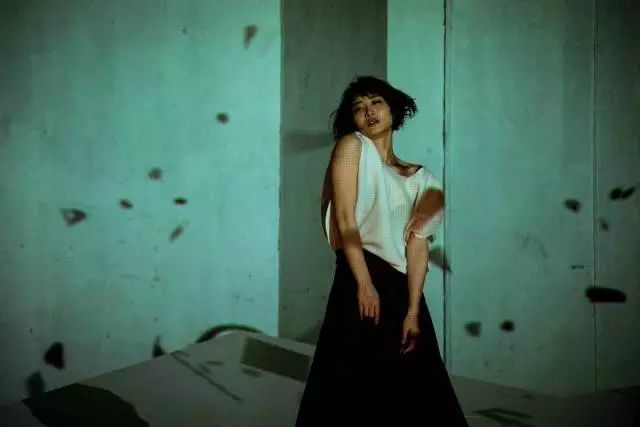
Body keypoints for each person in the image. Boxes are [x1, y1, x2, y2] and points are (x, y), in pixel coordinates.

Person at [295, 76, 469, 426]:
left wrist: (413, 311)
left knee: (420, 394)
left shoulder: (425, 180)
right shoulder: (352, 146)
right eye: (359, 108)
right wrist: (363, 283)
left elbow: (417, 249)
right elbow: (345, 218)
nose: (369, 111)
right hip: (358, 275)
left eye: (376, 102)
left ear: (393, 110)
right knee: (347, 388)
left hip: (402, 289)